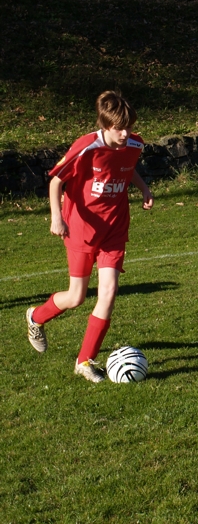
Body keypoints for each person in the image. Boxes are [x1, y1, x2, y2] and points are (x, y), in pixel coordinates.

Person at [26, 91, 154, 383]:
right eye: (119, 128)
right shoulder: (86, 147)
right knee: (76, 297)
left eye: (129, 127)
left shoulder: (134, 144)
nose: (125, 134)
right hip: (81, 228)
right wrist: (56, 217)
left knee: (109, 292)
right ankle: (36, 317)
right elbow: (56, 181)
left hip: (114, 228)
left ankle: (84, 361)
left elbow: (127, 168)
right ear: (105, 125)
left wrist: (144, 188)